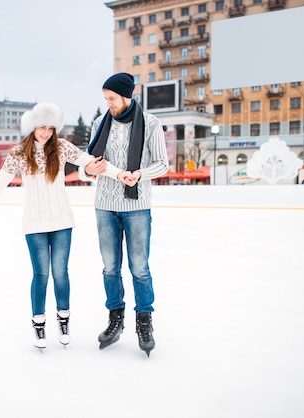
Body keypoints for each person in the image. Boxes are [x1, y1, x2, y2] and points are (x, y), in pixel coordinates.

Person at [0, 102, 127, 350]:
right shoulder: (18, 153)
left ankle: (63, 320)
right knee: (41, 275)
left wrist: (120, 174)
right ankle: (38, 324)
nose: (45, 132)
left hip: (61, 221)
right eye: (41, 127)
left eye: (49, 127)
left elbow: (91, 162)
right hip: (34, 223)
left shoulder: (61, 147)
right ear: (32, 127)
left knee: (60, 273)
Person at [83, 72, 169, 357]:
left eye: (111, 98)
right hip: (105, 205)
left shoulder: (151, 124)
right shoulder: (99, 123)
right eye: (105, 98)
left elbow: (162, 164)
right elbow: (88, 162)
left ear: (125, 96)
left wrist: (140, 174)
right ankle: (115, 319)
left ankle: (144, 322)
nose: (107, 103)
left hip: (136, 206)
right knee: (110, 267)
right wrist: (87, 169)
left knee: (139, 268)